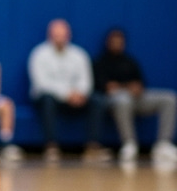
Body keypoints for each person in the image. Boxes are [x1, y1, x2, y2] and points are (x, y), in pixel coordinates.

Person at [27, 18, 109, 163]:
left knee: (97, 100)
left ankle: (92, 146)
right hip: (49, 98)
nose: (59, 38)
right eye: (56, 34)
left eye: (62, 34)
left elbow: (86, 80)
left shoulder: (79, 54)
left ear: (68, 35)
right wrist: (66, 94)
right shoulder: (39, 54)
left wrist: (80, 93)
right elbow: (41, 83)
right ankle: (51, 146)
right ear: (50, 35)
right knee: (47, 99)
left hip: (77, 98)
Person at [93, 27, 177, 164]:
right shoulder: (101, 62)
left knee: (169, 98)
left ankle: (164, 144)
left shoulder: (130, 61)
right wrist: (125, 87)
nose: (117, 44)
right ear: (108, 42)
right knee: (123, 100)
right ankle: (129, 144)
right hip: (115, 101)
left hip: (136, 99)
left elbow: (140, 83)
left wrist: (136, 88)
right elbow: (107, 88)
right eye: (114, 41)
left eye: (119, 41)